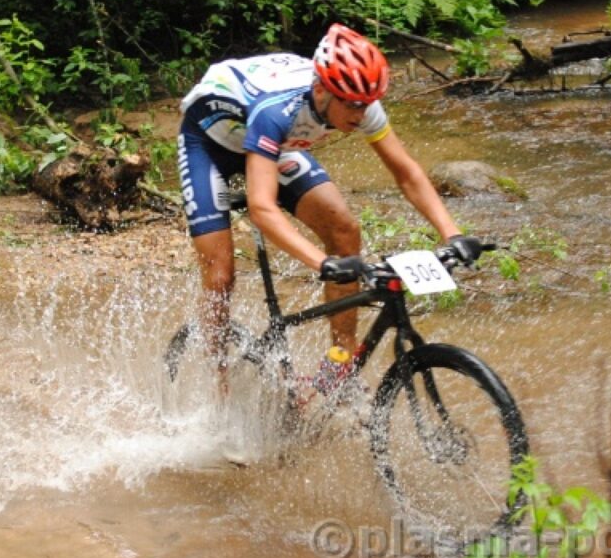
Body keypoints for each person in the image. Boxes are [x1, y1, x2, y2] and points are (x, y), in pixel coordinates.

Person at [177, 23, 483, 397]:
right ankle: (216, 387)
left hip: (271, 145)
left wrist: (452, 234)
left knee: (344, 230)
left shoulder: (360, 101)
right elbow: (262, 208)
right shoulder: (278, 111)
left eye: (367, 103)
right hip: (209, 141)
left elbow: (405, 172)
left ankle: (341, 365)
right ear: (321, 90)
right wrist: (322, 264)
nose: (361, 113)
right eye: (352, 104)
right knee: (221, 275)